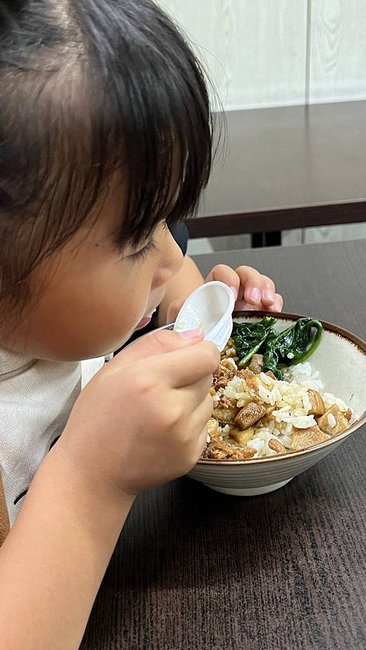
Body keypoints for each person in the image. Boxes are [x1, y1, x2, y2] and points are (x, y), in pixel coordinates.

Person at [0, 1, 283, 647]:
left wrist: (202, 312)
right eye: (134, 241)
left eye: (168, 219)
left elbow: (175, 271)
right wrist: (89, 480)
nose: (169, 254)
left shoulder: (41, 320)